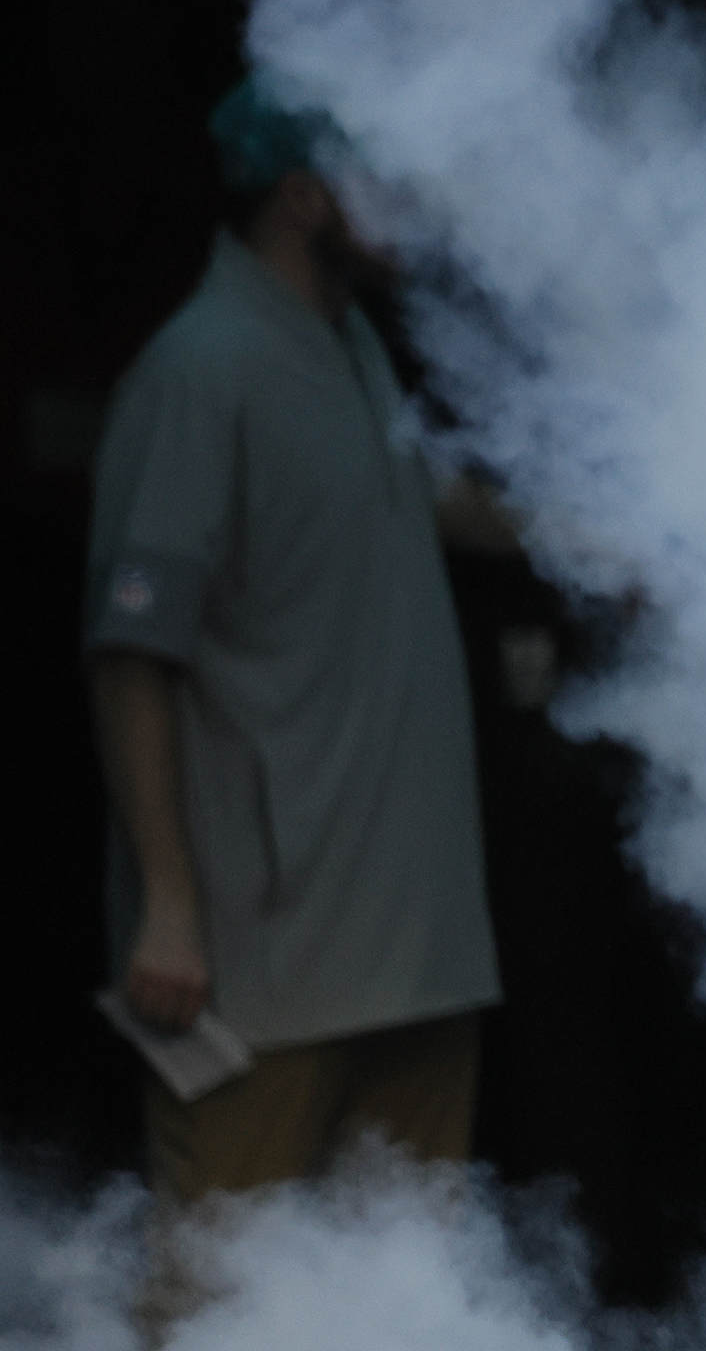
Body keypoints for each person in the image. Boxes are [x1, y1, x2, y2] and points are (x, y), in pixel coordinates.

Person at [85, 75, 502, 1203]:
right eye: (388, 171)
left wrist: (601, 548)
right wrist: (169, 902)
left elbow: (408, 491)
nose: (418, 197)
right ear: (309, 194)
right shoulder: (201, 368)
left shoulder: (349, 346)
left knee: (408, 1299)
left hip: (413, 945)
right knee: (230, 1301)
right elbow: (131, 651)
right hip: (263, 963)